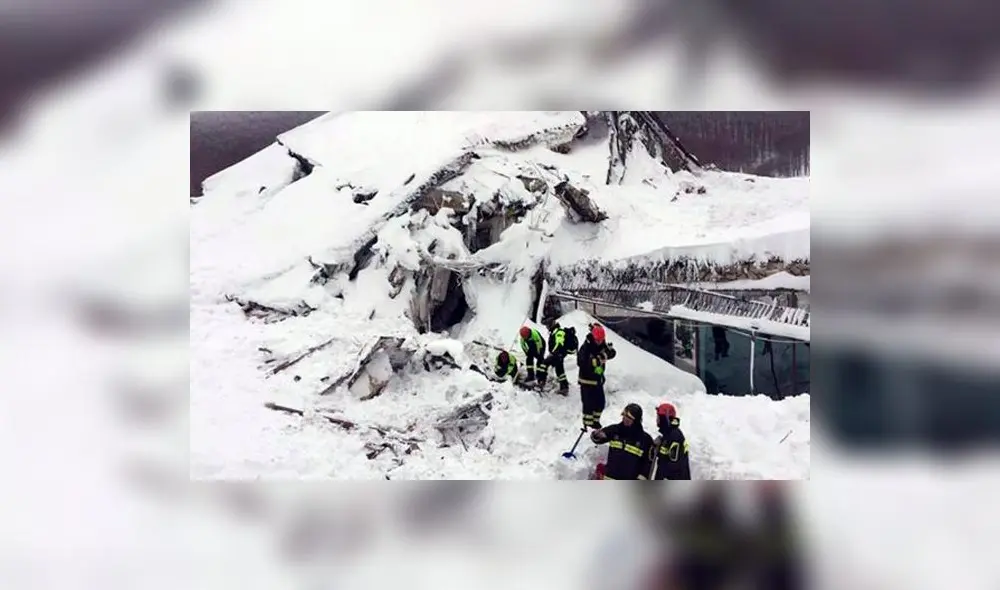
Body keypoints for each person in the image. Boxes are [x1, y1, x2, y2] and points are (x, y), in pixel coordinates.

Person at [590, 403, 654, 480]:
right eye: (624, 415)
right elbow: (598, 439)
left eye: (629, 418)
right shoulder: (615, 430)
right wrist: (596, 435)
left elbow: (648, 464)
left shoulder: (645, 439)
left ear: (636, 420)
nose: (625, 419)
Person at [577, 323, 616, 429]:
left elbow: (612, 352)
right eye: (597, 340)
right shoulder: (586, 347)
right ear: (593, 337)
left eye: (601, 340)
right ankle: (587, 424)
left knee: (600, 403)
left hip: (598, 380)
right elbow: (581, 362)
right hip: (587, 381)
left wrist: (605, 355)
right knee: (588, 404)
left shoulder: (602, 344)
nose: (599, 342)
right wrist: (595, 361)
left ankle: (595, 422)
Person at [650, 402, 691, 480]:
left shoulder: (674, 436)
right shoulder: (668, 434)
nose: (657, 419)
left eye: (658, 417)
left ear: (664, 418)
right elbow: (665, 456)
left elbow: (674, 464)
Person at [545, 321, 577, 395]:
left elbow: (559, 343)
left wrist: (552, 354)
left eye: (547, 325)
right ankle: (564, 386)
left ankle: (541, 382)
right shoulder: (554, 331)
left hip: (558, 354)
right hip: (558, 354)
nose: (547, 327)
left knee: (545, 364)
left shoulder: (558, 332)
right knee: (559, 370)